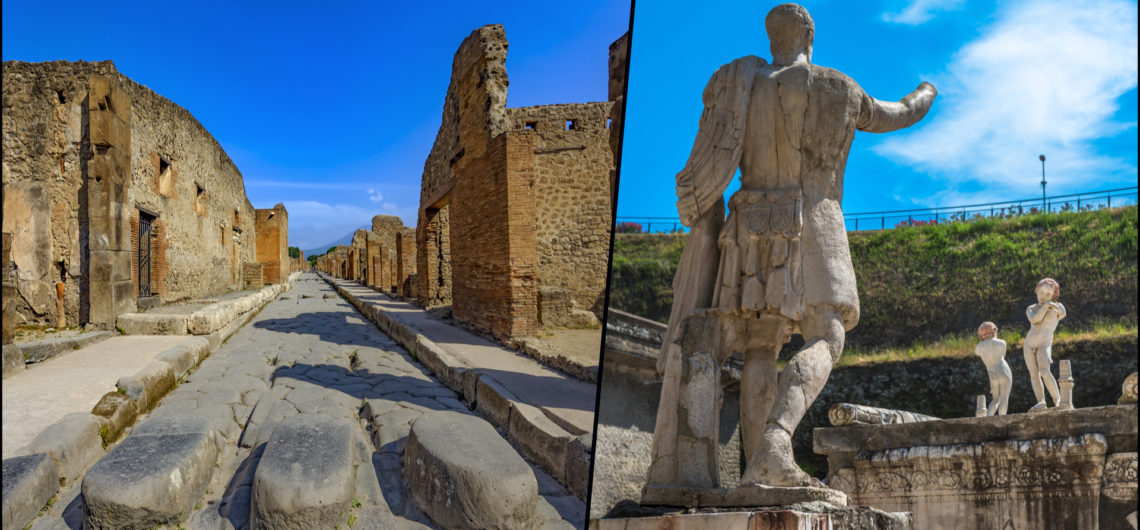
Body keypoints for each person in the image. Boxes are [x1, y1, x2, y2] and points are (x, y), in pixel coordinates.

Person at [646, 3, 938, 493]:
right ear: (809, 34)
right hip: (813, 217)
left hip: (749, 222)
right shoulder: (836, 87)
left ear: (771, 37)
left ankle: (759, 473)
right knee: (827, 336)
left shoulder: (743, 86)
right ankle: (776, 446)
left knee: (761, 347)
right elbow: (899, 113)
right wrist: (928, 91)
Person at [1024, 278, 1065, 412]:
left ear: (1054, 295)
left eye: (1048, 294)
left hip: (1044, 344)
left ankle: (1057, 399)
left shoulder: (1058, 307)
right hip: (1029, 345)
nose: (1043, 296)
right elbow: (1035, 320)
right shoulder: (1032, 308)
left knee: (1045, 372)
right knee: (1034, 374)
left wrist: (1050, 305)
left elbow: (1063, 314)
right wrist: (1045, 307)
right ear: (1036, 291)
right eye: (1041, 292)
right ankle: (1041, 401)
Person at [975, 321, 1012, 416]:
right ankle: (1002, 418)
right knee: (1004, 397)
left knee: (995, 399)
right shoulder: (1001, 343)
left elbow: (978, 352)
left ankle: (988, 418)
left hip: (991, 373)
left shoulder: (978, 347)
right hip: (1003, 370)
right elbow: (1003, 354)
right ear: (994, 330)